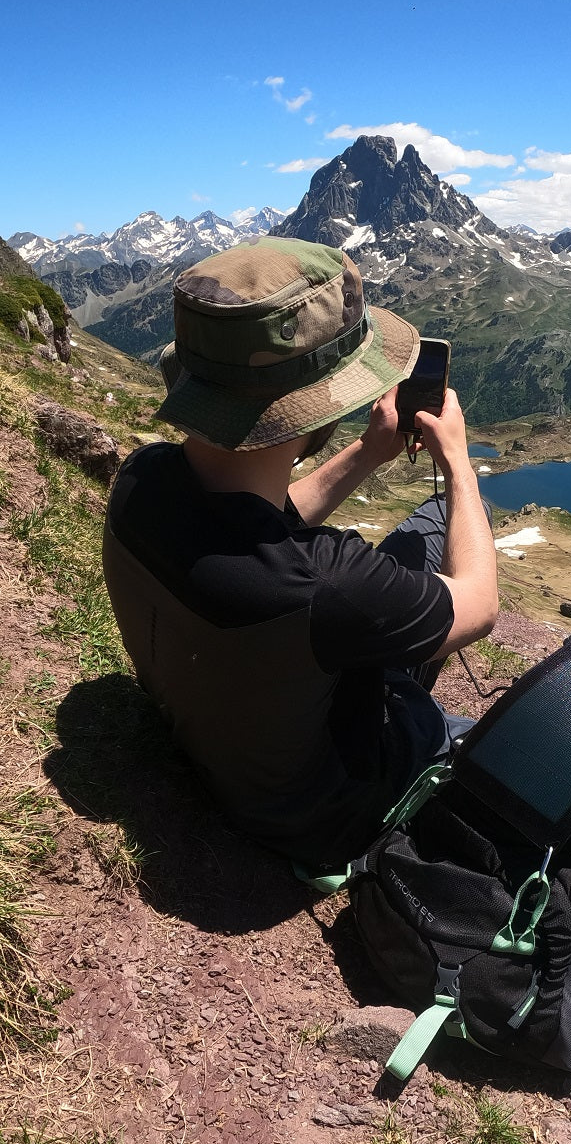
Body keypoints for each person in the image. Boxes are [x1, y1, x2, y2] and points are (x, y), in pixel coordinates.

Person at [102, 237, 498, 874]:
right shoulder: (325, 586)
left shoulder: (139, 480)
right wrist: (459, 465)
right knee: (434, 532)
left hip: (222, 744)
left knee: (410, 547)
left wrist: (370, 453)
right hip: (325, 816)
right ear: (311, 403)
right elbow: (479, 606)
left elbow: (256, 524)